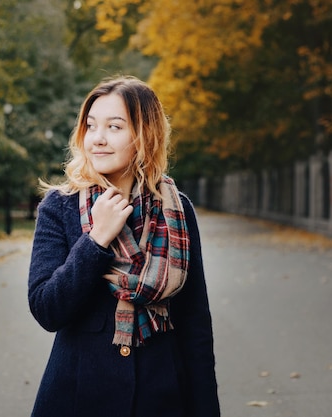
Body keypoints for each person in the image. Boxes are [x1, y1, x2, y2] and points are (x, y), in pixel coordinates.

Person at [27, 75, 220, 417]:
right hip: (78, 396)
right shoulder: (59, 206)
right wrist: (96, 240)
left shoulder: (176, 210)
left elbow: (194, 324)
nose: (97, 139)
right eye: (90, 126)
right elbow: (47, 309)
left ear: (145, 135)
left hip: (161, 397)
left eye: (114, 127)